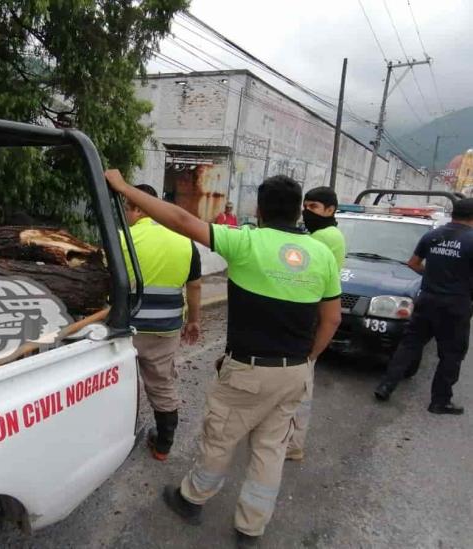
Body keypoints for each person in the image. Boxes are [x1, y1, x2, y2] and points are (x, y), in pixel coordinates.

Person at [106, 170, 341, 545]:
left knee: (220, 439)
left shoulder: (246, 241)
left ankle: (191, 499)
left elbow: (181, 220)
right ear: (298, 211)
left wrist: (122, 188)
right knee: (270, 449)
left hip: (248, 370)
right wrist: (308, 358)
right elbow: (331, 319)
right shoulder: (322, 254)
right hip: (295, 371)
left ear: (259, 210)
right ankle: (251, 528)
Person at [121, 184, 202, 461]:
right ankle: (163, 446)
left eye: (126, 208)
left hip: (124, 330)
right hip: (165, 330)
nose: (125, 214)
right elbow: (194, 287)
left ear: (139, 207)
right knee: (162, 384)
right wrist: (193, 321)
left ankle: (118, 440)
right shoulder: (184, 241)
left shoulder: (122, 238)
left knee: (121, 385)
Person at [374, 198, 473, 414]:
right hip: (456, 305)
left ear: (453, 213)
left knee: (409, 345)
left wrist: (431, 276)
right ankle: (440, 401)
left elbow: (413, 263)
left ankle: (385, 386)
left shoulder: (432, 236)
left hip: (427, 299)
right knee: (451, 353)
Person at [286, 186, 346, 462]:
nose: (306, 212)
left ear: (330, 210)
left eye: (314, 207)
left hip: (313, 313)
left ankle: (293, 444)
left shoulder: (325, 237)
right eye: (305, 206)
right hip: (315, 310)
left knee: (302, 384)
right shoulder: (325, 233)